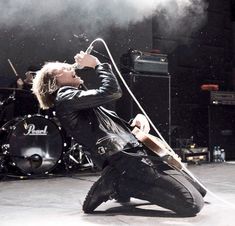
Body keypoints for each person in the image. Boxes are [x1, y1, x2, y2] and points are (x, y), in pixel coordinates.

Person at [32, 51, 206, 216]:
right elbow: (112, 91)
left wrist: (136, 121)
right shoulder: (65, 96)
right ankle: (116, 183)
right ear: (54, 81)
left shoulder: (77, 98)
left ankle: (122, 183)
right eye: (64, 69)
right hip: (124, 159)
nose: (70, 67)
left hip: (134, 152)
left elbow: (108, 129)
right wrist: (98, 65)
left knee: (200, 191)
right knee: (191, 204)